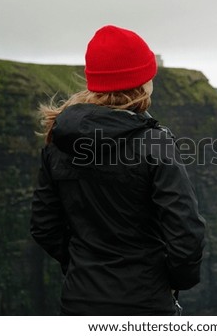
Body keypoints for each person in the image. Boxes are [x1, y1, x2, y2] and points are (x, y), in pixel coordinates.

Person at [31, 25, 206, 316]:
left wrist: (81, 266)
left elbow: (44, 226)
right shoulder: (155, 142)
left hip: (79, 301)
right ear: (141, 82)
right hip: (145, 304)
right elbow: (186, 233)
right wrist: (172, 282)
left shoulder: (57, 141)